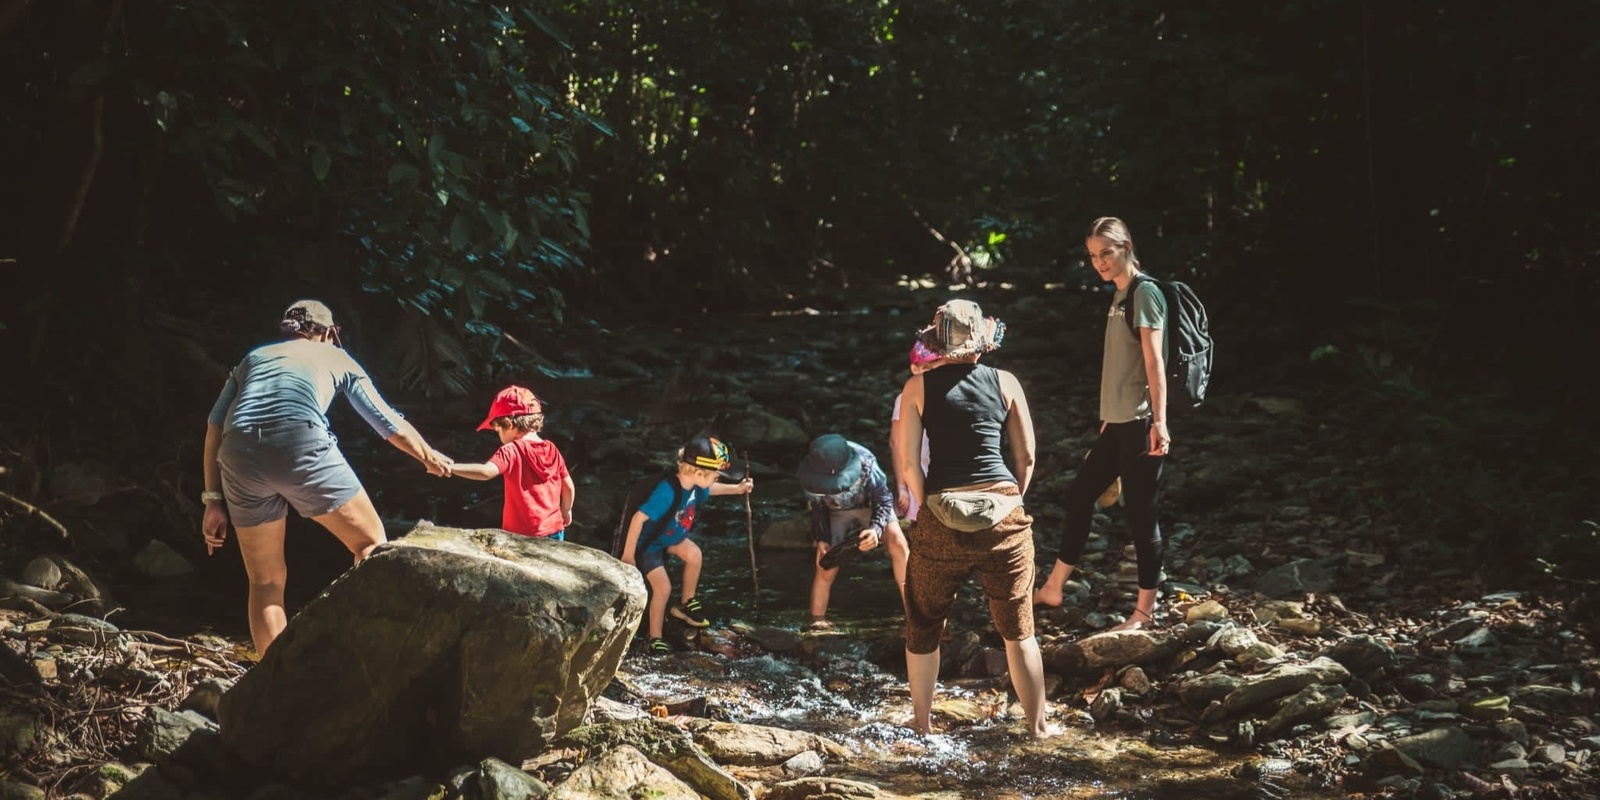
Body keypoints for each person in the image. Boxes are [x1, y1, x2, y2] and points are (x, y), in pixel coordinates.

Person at [201, 300, 452, 656]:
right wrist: (429, 457)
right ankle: (357, 647)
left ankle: (275, 681)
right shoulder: (338, 358)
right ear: (328, 332)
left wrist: (212, 500)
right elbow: (386, 422)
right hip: (298, 442)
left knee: (265, 581)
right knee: (370, 544)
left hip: (238, 453)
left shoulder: (253, 358)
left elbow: (214, 426)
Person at [894, 299, 1051, 739]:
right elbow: (1028, 455)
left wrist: (929, 513)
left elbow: (909, 466)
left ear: (937, 345)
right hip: (1004, 513)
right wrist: (1012, 499)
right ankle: (1038, 729)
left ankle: (923, 725)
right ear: (982, 343)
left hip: (942, 511)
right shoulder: (1007, 382)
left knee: (923, 621)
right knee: (1019, 629)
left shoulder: (916, 388)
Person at [1032, 216, 1171, 631]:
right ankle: (1054, 587)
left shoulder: (1145, 293)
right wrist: (1108, 426)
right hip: (1118, 423)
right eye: (1093, 256)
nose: (1099, 263)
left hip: (1143, 423)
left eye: (1106, 253)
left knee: (1141, 516)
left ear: (1126, 247)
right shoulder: (1119, 296)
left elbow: (1154, 362)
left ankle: (1144, 613)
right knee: (1079, 497)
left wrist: (1160, 422)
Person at [618, 436, 754, 654]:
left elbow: (711, 489)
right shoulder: (667, 492)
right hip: (650, 545)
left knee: (694, 554)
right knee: (663, 588)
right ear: (699, 473)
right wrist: (628, 555)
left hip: (671, 538)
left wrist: (737, 489)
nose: (714, 480)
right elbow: (638, 518)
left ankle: (685, 604)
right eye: (715, 476)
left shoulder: (695, 485)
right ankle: (654, 637)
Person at [795, 434, 909, 630]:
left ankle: (915, 614)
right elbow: (818, 508)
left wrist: (875, 530)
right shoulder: (810, 474)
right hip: (835, 511)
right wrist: (822, 538)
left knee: (899, 543)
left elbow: (883, 499)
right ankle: (817, 621)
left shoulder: (866, 462)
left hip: (871, 505)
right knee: (825, 560)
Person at [449, 385, 574, 540]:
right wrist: (566, 510)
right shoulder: (552, 449)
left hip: (522, 536)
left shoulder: (511, 450)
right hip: (554, 530)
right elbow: (568, 486)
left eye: (498, 431)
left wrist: (452, 467)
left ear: (508, 424)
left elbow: (486, 472)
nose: (499, 437)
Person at [890, 340, 941, 523]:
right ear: (915, 369)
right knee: (922, 521)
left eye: (937, 367)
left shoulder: (944, 396)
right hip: (915, 470)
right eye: (927, 368)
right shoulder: (904, 398)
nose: (933, 373)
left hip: (940, 469)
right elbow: (896, 443)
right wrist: (902, 486)